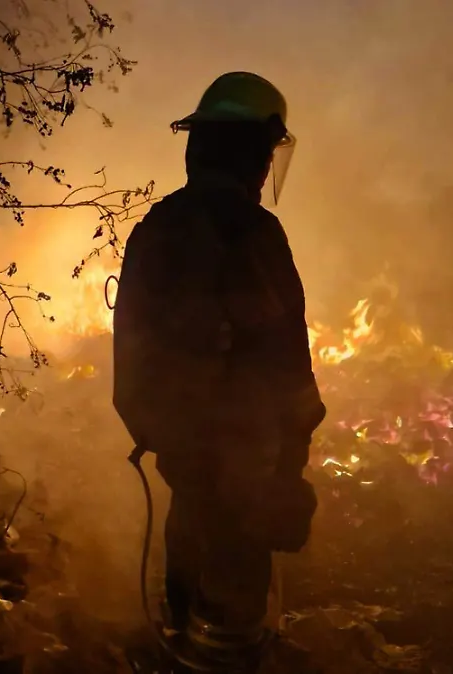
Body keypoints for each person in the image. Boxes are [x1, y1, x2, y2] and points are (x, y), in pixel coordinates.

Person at [112, 72, 325, 672]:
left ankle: (184, 645)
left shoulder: (157, 229)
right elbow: (286, 361)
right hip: (246, 465)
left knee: (187, 572)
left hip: (183, 458)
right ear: (253, 154)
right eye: (264, 154)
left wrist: (166, 441)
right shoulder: (253, 235)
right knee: (234, 613)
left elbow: (129, 356)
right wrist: (288, 468)